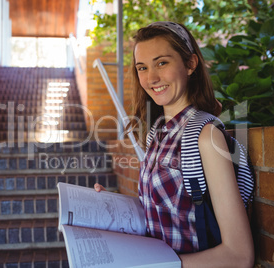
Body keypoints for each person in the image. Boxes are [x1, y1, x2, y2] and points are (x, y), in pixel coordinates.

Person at [95, 21, 254, 267]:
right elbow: (166, 212)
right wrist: (113, 208)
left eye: (162, 63)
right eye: (142, 67)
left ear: (190, 64)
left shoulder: (205, 137)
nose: (151, 78)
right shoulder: (157, 133)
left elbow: (239, 255)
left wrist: (159, 265)